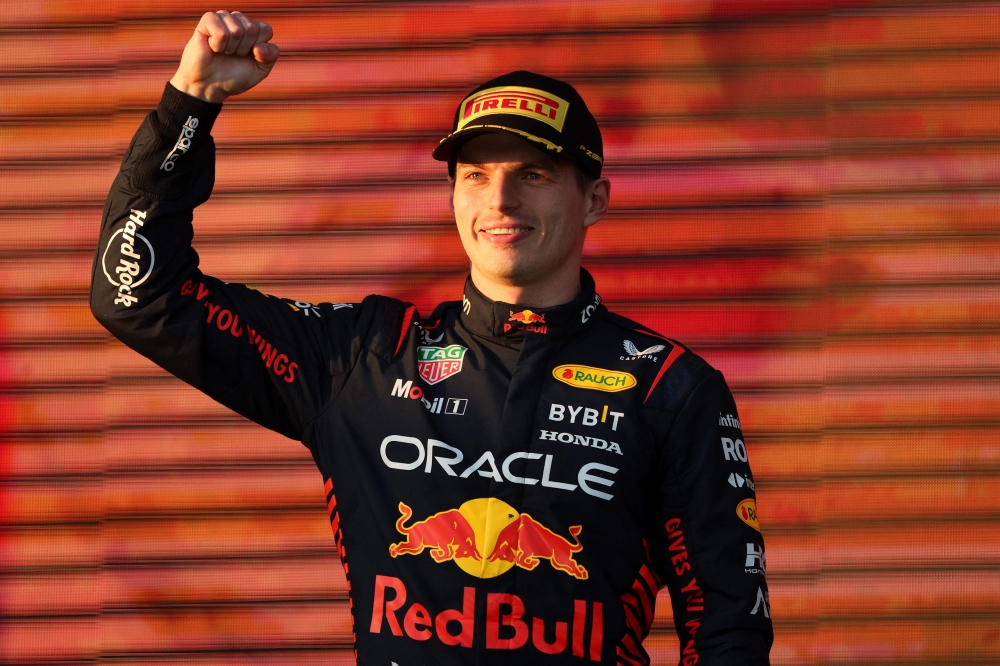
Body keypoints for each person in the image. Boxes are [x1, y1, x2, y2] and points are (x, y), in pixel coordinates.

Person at [90, 10, 773, 665]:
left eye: (531, 175)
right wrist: (190, 103)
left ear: (594, 199)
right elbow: (140, 296)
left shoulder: (671, 388)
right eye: (475, 176)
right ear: (452, 196)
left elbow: (728, 627)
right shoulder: (363, 356)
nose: (500, 202)